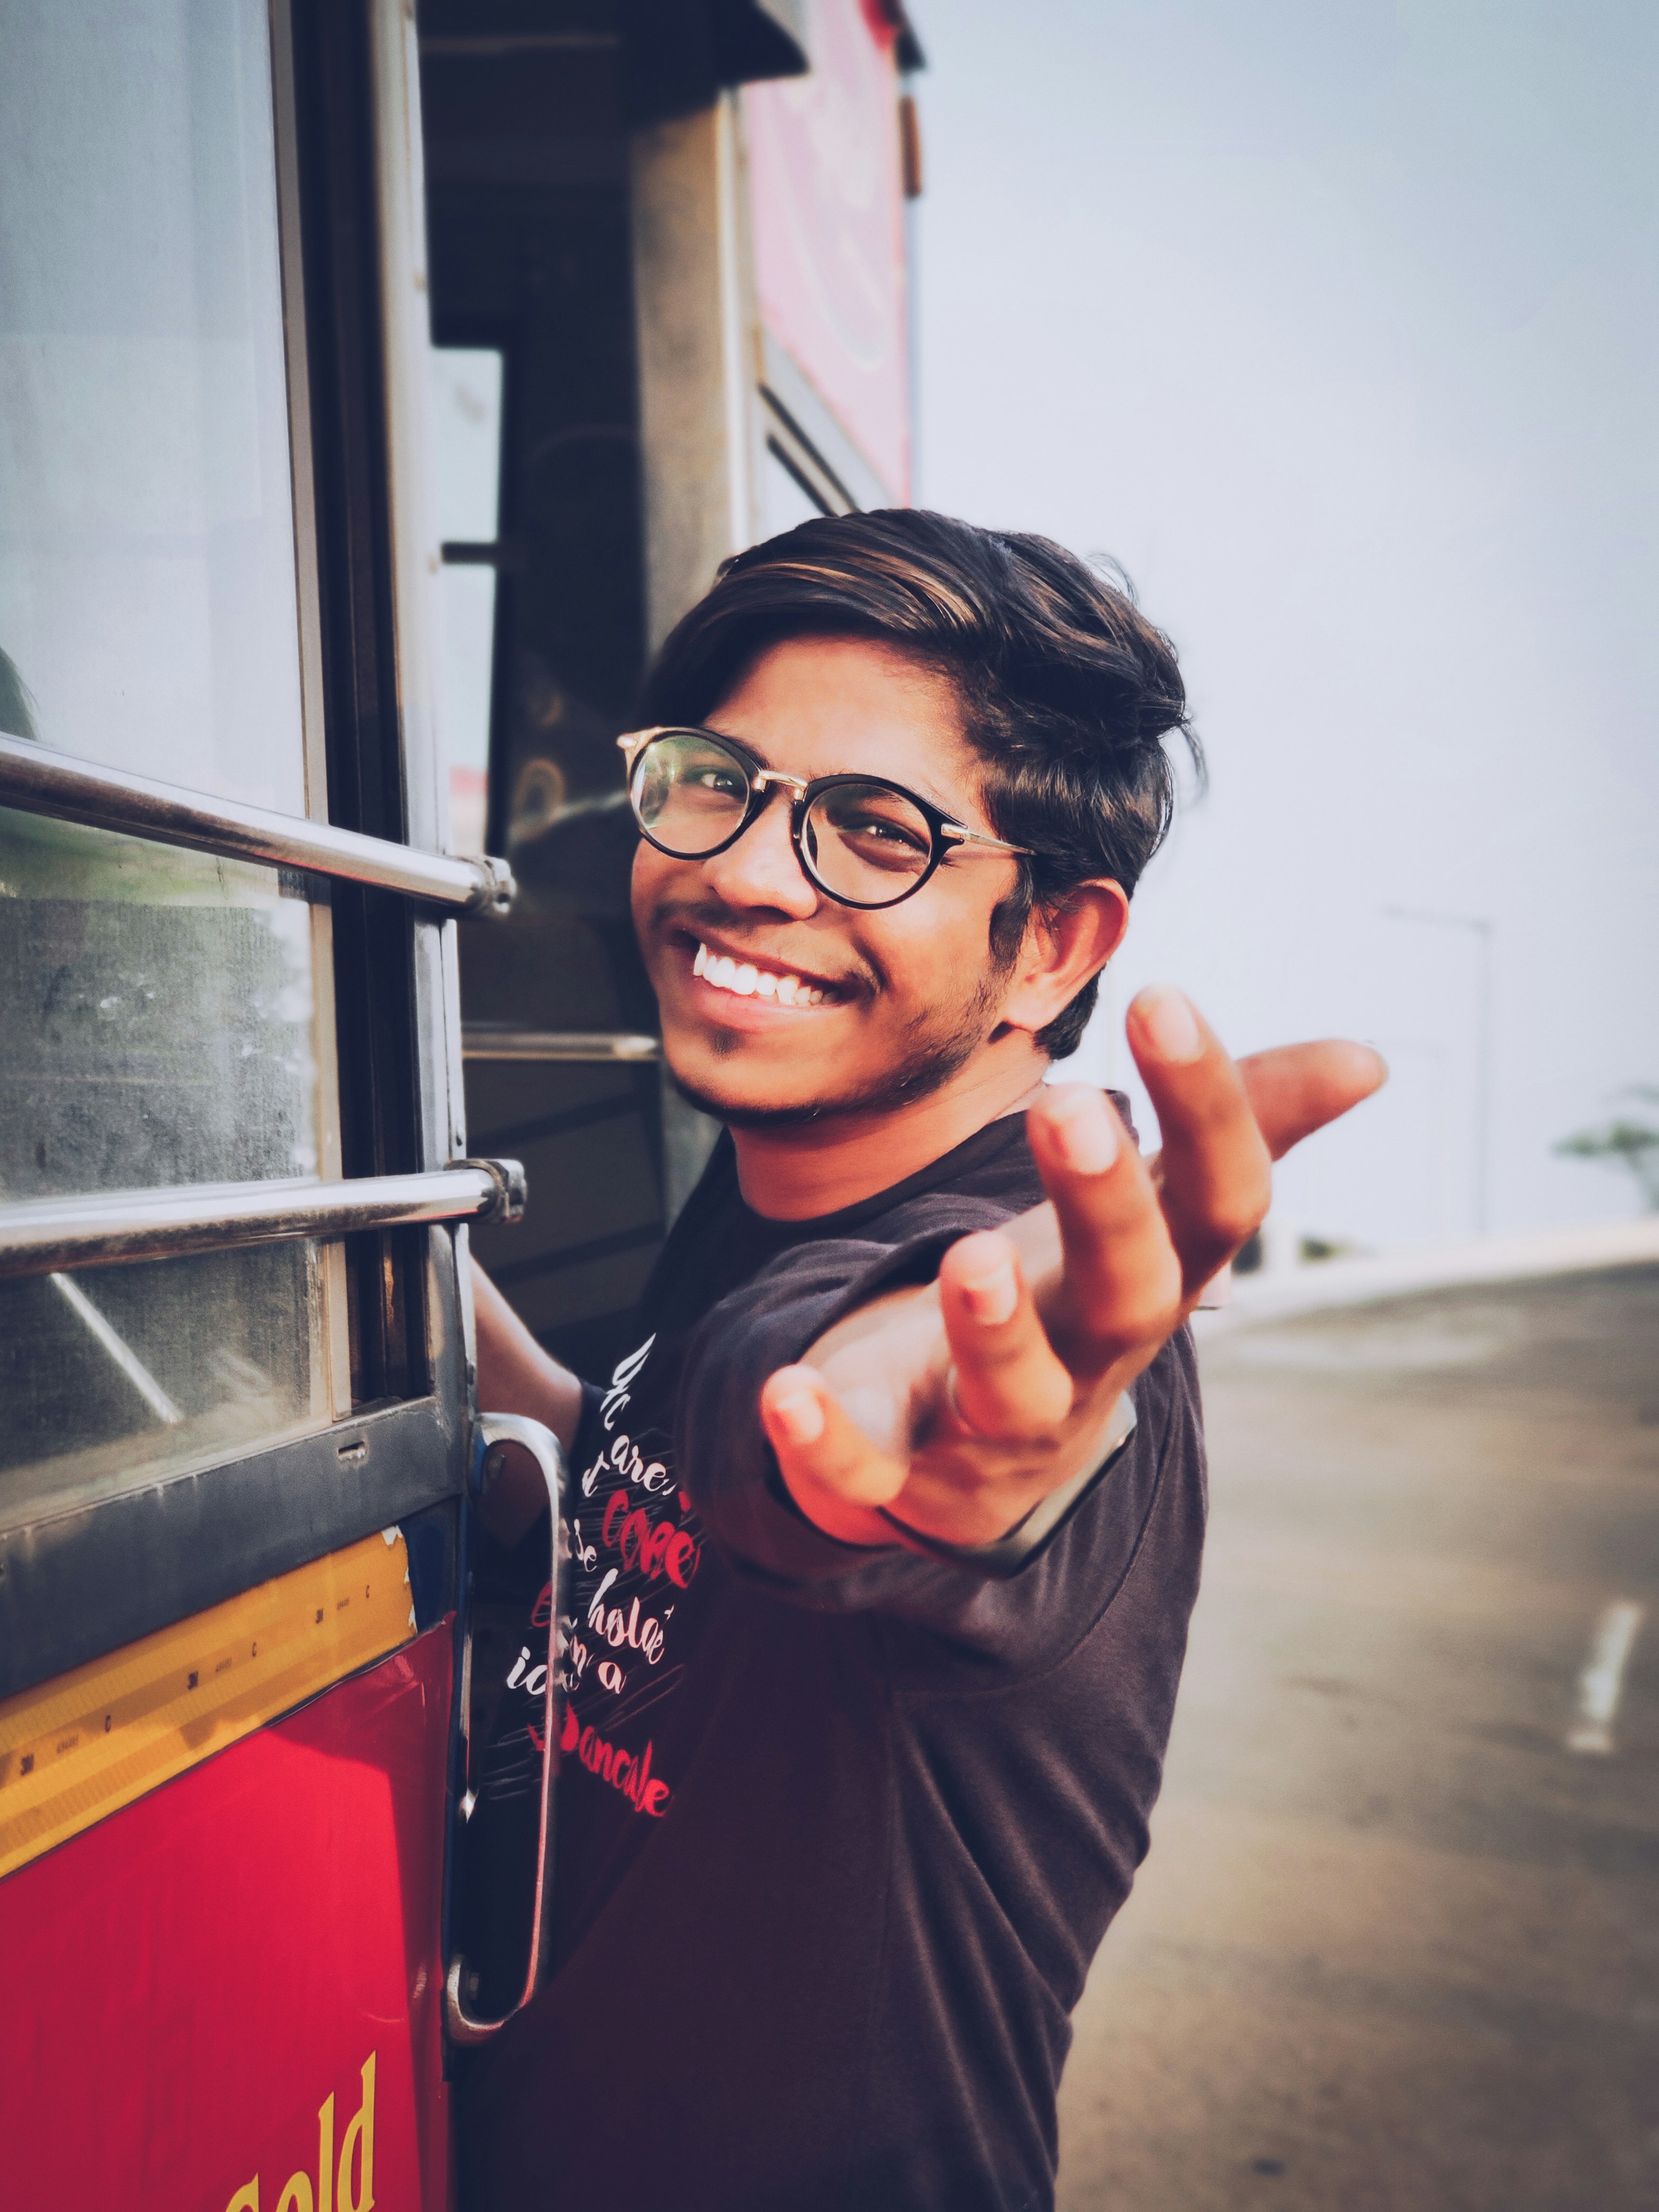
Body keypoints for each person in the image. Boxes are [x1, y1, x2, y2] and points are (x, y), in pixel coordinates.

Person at [458, 510, 1384, 2209]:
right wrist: (393, 1285)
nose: (745, 870)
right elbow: (659, 1476)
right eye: (718, 782)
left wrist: (886, 1432)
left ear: (1053, 944)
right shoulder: (769, 1185)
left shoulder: (996, 1300)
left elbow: (827, 1407)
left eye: (871, 833)